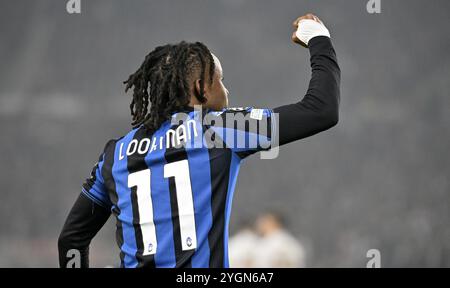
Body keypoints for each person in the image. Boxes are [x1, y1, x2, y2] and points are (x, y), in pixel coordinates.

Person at [58, 13, 340, 268]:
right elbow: (321, 110)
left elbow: (71, 239)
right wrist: (319, 39)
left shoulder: (115, 153)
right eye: (221, 80)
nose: (227, 91)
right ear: (200, 88)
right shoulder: (219, 128)